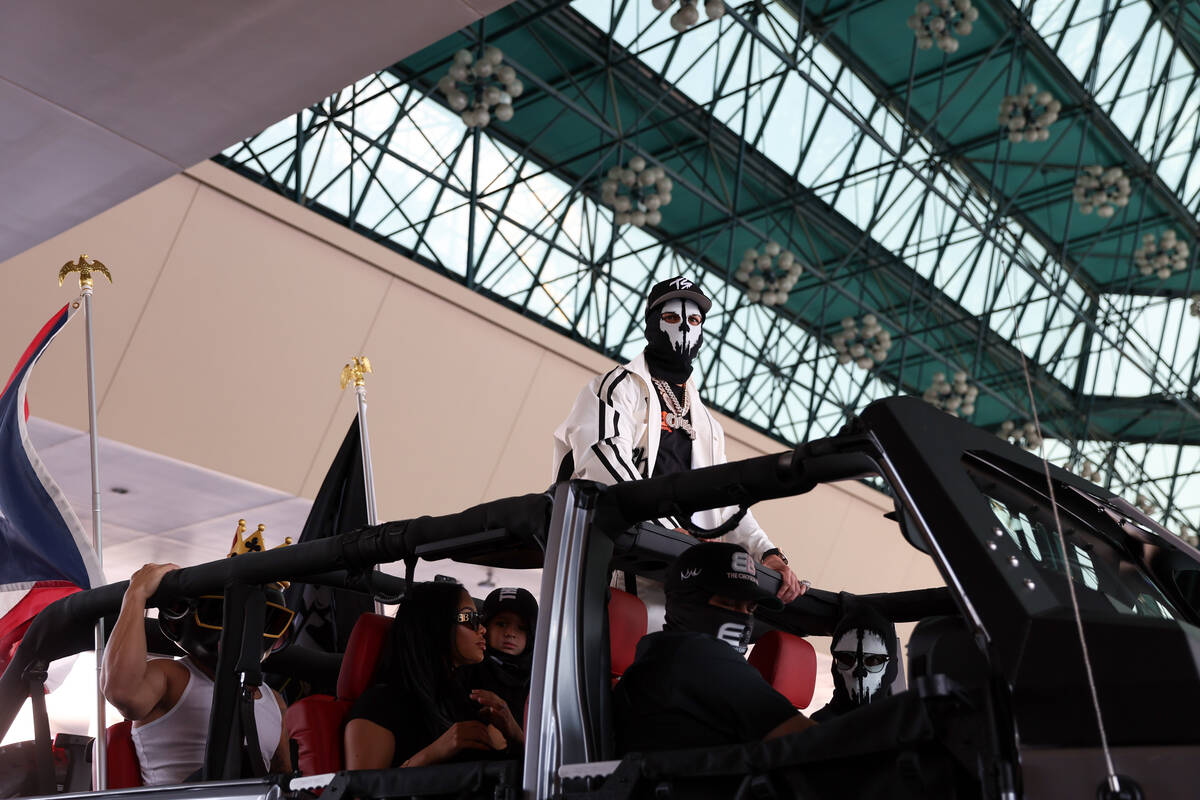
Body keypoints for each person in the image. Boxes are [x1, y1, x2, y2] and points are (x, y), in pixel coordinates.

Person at [552, 276, 804, 611]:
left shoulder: (707, 423)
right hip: (624, 568)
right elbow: (603, 460)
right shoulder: (617, 388)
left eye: (695, 320)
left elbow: (726, 505)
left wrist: (768, 554)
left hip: (691, 577)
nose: (684, 327)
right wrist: (669, 533)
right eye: (671, 317)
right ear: (651, 323)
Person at [612, 542, 815, 754]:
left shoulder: (656, 656)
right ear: (687, 601)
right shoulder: (705, 660)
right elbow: (814, 747)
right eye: (728, 603)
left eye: (750, 608)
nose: (743, 616)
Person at [101, 562, 293, 784]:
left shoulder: (275, 701)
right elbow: (123, 693)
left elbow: (282, 778)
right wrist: (135, 594)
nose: (242, 633)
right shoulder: (172, 676)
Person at [343, 582, 523, 769]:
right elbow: (359, 793)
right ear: (436, 625)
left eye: (479, 618)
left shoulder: (468, 700)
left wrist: (516, 735)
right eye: (469, 618)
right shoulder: (380, 705)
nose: (482, 629)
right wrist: (433, 753)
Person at [810, 602, 899, 722]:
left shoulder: (908, 727)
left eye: (873, 660)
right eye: (846, 659)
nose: (859, 672)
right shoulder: (816, 729)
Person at [462, 587, 537, 724]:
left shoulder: (539, 675)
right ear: (485, 626)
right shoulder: (472, 667)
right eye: (501, 624)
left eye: (521, 628)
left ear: (531, 635)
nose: (510, 633)